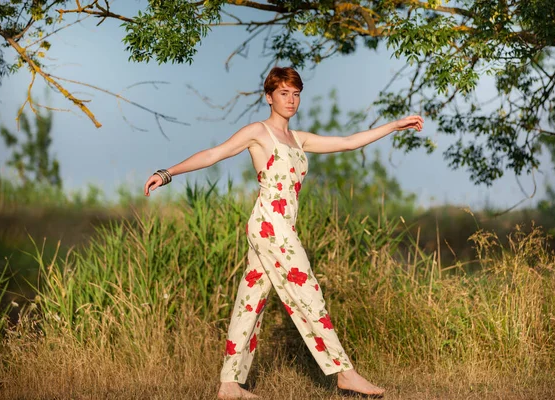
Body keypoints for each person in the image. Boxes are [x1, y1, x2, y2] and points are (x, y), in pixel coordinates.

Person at [144, 67, 424, 399]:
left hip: (282, 225)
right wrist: (167, 173)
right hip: (269, 224)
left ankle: (229, 385)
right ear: (269, 97)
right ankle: (345, 373)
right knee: (308, 291)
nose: (290, 100)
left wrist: (393, 125)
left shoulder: (299, 139)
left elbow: (348, 142)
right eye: (283, 93)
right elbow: (214, 153)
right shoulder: (258, 132)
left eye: (295, 94)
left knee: (251, 300)